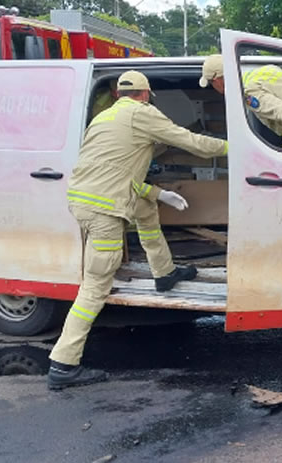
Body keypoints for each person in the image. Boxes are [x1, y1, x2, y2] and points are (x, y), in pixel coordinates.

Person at [48, 70, 228, 390]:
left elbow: (117, 176)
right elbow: (192, 142)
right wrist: (237, 148)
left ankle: (164, 273)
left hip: (84, 200)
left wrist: (159, 195)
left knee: (146, 211)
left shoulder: (104, 118)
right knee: (94, 288)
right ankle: (64, 363)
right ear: (145, 95)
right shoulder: (142, 114)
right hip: (104, 210)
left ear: (119, 94)